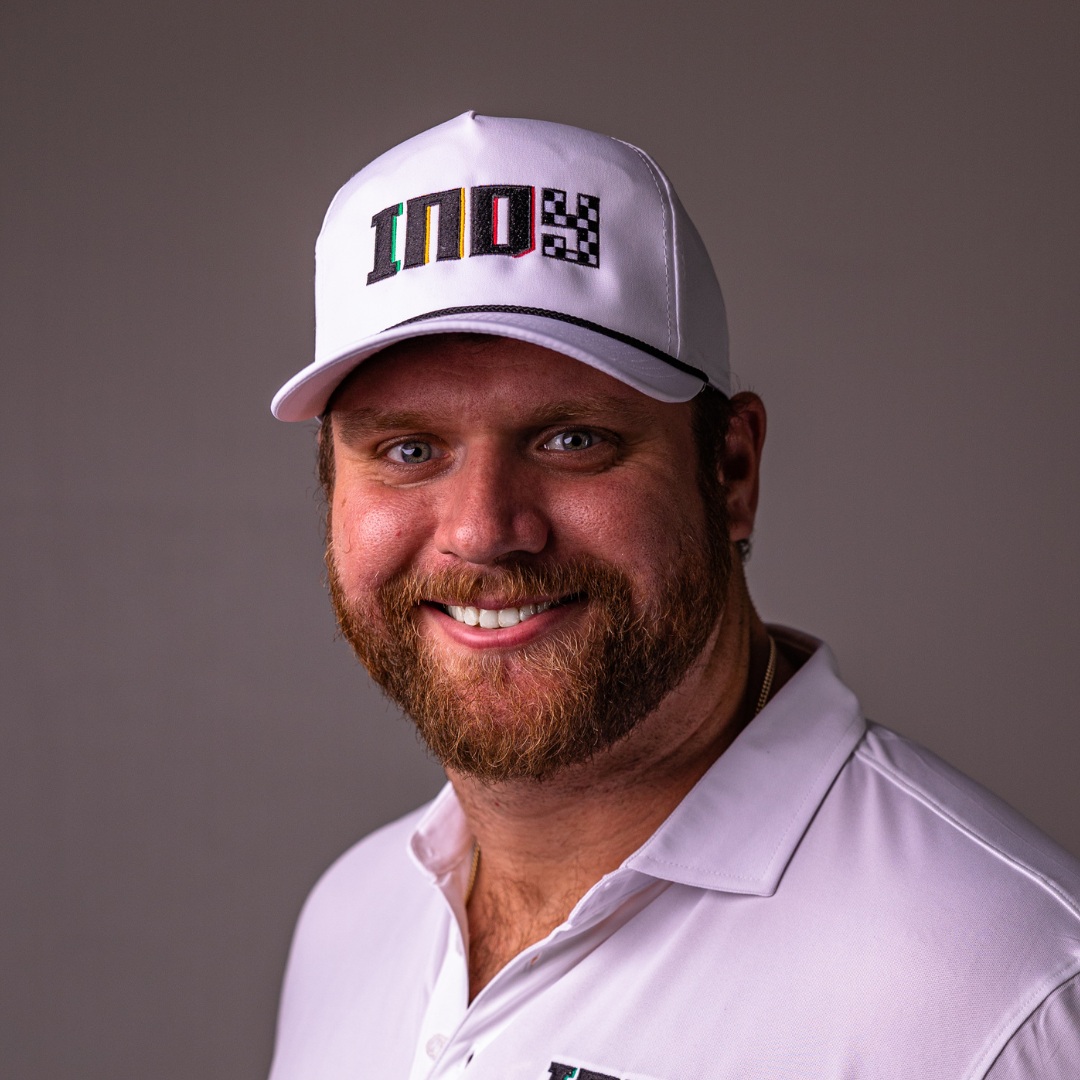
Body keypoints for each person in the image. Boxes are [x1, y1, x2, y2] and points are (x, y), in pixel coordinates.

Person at [266, 113, 1080, 1080]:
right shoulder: (351, 919)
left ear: (731, 469)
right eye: (408, 449)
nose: (483, 530)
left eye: (572, 440)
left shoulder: (1005, 1000)